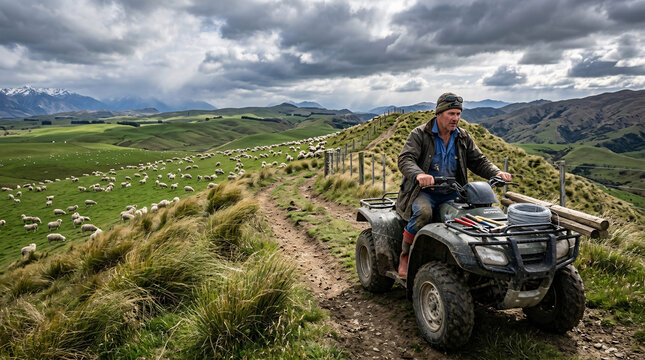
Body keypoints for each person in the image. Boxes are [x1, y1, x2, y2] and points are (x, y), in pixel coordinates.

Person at [395, 92, 511, 278]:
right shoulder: (419, 134)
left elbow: (479, 161)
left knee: (475, 217)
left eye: (458, 114)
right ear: (439, 113)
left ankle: (480, 259)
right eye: (451, 114)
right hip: (424, 192)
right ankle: (406, 255)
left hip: (453, 192)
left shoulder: (463, 137)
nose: (455, 118)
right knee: (423, 213)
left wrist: (496, 172)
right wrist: (419, 175)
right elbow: (405, 159)